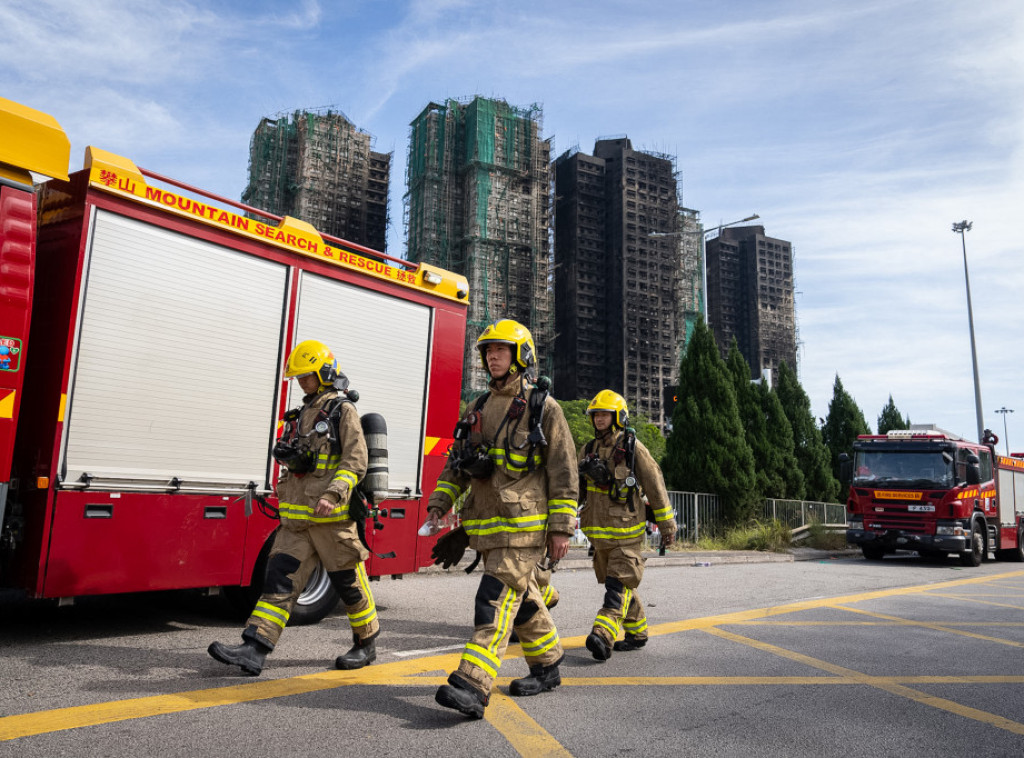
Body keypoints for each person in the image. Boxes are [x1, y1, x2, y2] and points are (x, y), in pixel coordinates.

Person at [426, 319, 578, 719]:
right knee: (523, 600)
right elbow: (457, 465)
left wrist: (561, 529)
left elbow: (564, 471)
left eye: (501, 350)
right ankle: (547, 665)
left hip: (523, 529)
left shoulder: (543, 407)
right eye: (487, 351)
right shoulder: (476, 407)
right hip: (489, 527)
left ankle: (473, 685)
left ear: (521, 356)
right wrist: (440, 504)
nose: (491, 356)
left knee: (492, 601)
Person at [208, 339, 379, 676]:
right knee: (278, 582)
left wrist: (333, 494)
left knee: (349, 585)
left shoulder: (341, 410)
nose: (302, 382)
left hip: (333, 521)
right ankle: (254, 648)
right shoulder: (302, 413)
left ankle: (366, 643)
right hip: (297, 522)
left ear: (324, 372)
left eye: (306, 376)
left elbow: (355, 460)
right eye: (298, 377)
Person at [577, 390, 677, 661]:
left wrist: (667, 526)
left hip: (627, 534)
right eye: (596, 415)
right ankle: (637, 633)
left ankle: (603, 634)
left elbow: (655, 485)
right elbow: (575, 490)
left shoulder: (633, 449)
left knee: (616, 586)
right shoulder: (587, 449)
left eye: (604, 414)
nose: (599, 419)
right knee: (622, 586)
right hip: (598, 536)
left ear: (618, 417)